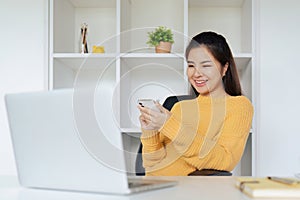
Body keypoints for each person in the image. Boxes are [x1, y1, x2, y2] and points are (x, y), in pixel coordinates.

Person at [138, 31, 254, 176]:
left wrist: (169, 125)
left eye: (206, 65)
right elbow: (151, 164)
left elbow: (225, 160)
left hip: (185, 191)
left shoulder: (239, 106)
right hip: (152, 187)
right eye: (191, 66)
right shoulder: (180, 107)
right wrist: (150, 131)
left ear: (224, 68)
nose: (196, 73)